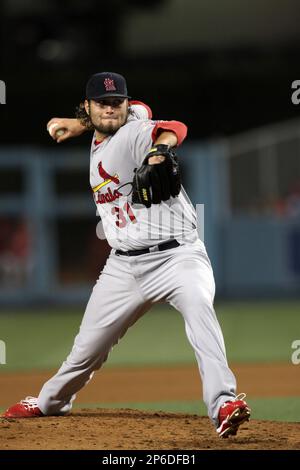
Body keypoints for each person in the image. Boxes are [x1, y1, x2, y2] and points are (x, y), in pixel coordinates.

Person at [3, 72, 250, 438]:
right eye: (102, 103)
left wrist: (160, 151)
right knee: (87, 350)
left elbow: (174, 127)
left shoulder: (134, 132)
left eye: (116, 102)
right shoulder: (123, 118)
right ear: (88, 107)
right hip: (124, 266)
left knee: (200, 310)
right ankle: (51, 401)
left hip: (178, 257)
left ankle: (224, 403)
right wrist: (78, 125)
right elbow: (140, 108)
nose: (111, 108)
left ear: (124, 103)